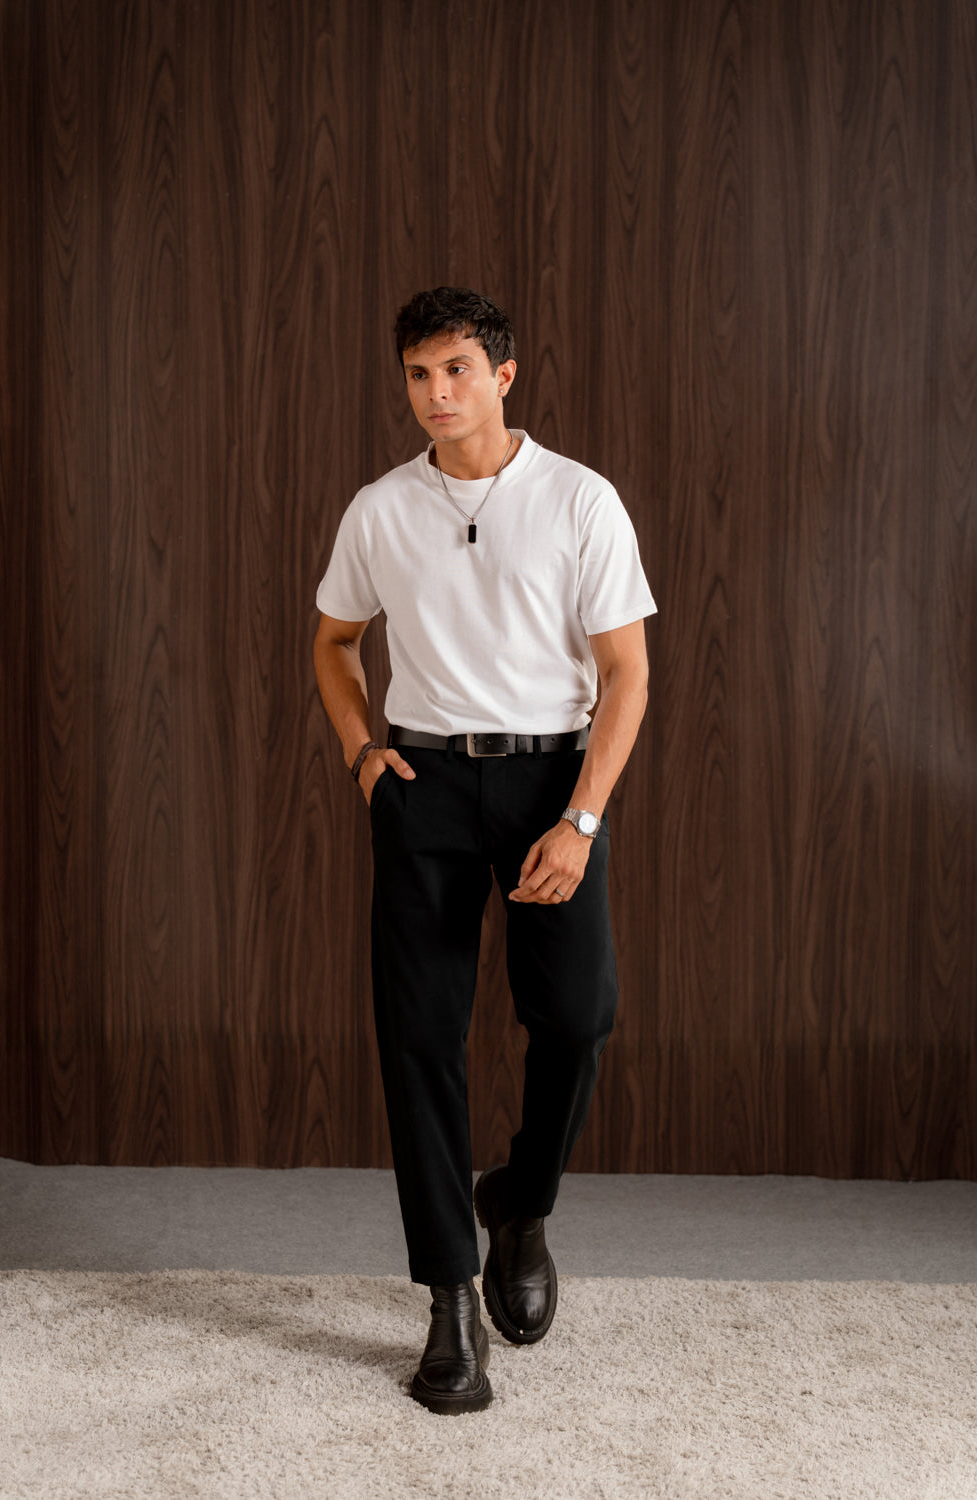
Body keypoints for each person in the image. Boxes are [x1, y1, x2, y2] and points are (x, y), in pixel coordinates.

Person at [314, 287, 656, 1414]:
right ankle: (449, 1302)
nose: (436, 393)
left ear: (503, 375)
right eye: (418, 374)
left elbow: (626, 674)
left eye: (456, 369)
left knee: (578, 1014)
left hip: (551, 783)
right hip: (421, 788)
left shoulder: (578, 499)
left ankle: (520, 1200)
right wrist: (363, 755)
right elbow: (334, 642)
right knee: (420, 1038)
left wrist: (581, 819)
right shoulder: (380, 509)